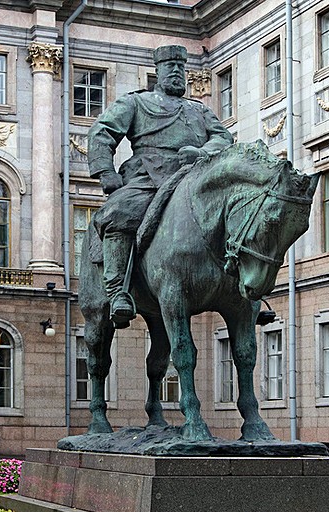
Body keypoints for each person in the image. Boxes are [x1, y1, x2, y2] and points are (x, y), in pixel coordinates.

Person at [88, 45, 233, 328]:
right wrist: (105, 170)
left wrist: (200, 152)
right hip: (148, 176)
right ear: (158, 72)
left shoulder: (198, 110)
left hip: (194, 175)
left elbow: (224, 139)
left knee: (237, 212)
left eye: (181, 68)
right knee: (120, 211)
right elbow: (102, 132)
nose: (177, 73)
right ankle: (118, 291)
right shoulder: (137, 103)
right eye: (171, 68)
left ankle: (245, 287)